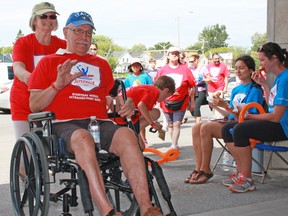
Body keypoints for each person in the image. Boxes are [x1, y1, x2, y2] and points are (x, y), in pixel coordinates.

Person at [28, 11, 164, 216]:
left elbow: (111, 99)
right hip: (64, 125)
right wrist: (57, 85)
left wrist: (123, 103)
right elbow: (34, 105)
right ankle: (107, 210)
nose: (84, 37)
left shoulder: (100, 64)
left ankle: (146, 208)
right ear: (66, 32)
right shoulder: (49, 62)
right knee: (83, 138)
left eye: (89, 33)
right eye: (78, 31)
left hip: (98, 122)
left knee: (128, 135)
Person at [184, 55, 264, 184]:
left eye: (241, 68)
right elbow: (229, 112)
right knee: (196, 127)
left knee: (206, 127)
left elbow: (246, 115)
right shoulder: (237, 89)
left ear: (250, 70)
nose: (237, 71)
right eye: (236, 68)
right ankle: (198, 168)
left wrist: (224, 106)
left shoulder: (255, 89)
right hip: (231, 121)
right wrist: (217, 106)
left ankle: (206, 169)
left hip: (243, 124)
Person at [222, 42, 288, 193]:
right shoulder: (279, 78)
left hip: (282, 126)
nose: (260, 64)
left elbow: (276, 116)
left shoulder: (285, 79)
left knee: (240, 129)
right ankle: (240, 172)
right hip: (276, 122)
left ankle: (247, 178)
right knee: (227, 129)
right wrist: (264, 84)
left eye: (262, 60)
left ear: (275, 58)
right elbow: (273, 102)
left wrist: (248, 115)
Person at [10, 2, 66, 139]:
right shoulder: (23, 43)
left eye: (52, 17)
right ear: (34, 20)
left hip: (52, 102)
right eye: (43, 16)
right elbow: (18, 67)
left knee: (59, 147)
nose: (48, 20)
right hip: (23, 102)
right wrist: (30, 78)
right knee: (26, 150)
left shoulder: (62, 45)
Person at [155, 46, 195, 150]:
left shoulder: (185, 69)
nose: (174, 55)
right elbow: (156, 86)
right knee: (170, 125)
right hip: (166, 102)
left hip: (181, 101)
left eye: (176, 53)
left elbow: (192, 86)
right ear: (168, 55)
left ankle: (173, 145)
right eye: (172, 53)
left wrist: (192, 102)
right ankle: (174, 143)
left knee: (177, 124)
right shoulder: (163, 70)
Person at [122, 75, 176, 150]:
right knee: (156, 113)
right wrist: (153, 124)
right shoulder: (154, 91)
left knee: (141, 147)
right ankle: (134, 129)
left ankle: (135, 129)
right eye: (166, 96)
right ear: (165, 90)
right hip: (125, 115)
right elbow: (141, 105)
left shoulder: (150, 89)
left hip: (127, 114)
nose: (164, 99)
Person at [124, 58, 153, 146]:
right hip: (133, 102)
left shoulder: (145, 76)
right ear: (131, 67)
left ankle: (144, 139)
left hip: (144, 101)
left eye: (137, 65)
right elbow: (125, 90)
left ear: (140, 66)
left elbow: (151, 87)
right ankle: (137, 139)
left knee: (142, 119)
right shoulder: (129, 77)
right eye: (134, 66)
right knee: (134, 120)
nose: (136, 67)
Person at [187, 54, 210, 123]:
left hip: (201, 89)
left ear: (196, 60)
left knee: (196, 106)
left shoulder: (203, 68)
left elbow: (209, 78)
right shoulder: (190, 69)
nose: (190, 63)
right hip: (192, 90)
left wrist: (202, 79)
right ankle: (199, 121)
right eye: (189, 62)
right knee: (191, 108)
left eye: (192, 61)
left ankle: (198, 125)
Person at [207, 53, 230, 119]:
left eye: (218, 59)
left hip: (220, 87)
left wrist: (225, 87)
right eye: (215, 59)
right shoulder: (209, 66)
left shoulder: (223, 66)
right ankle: (215, 116)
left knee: (218, 102)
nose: (217, 60)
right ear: (212, 59)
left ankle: (219, 117)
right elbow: (206, 75)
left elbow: (226, 77)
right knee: (212, 104)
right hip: (211, 88)